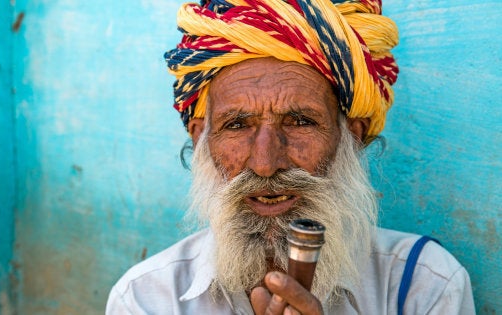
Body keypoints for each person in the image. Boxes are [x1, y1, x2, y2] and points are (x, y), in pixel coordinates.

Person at [106, 0, 475, 313]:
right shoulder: (148, 298)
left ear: (352, 136)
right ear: (201, 138)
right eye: (236, 125)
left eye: (300, 121)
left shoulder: (421, 283)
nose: (265, 163)